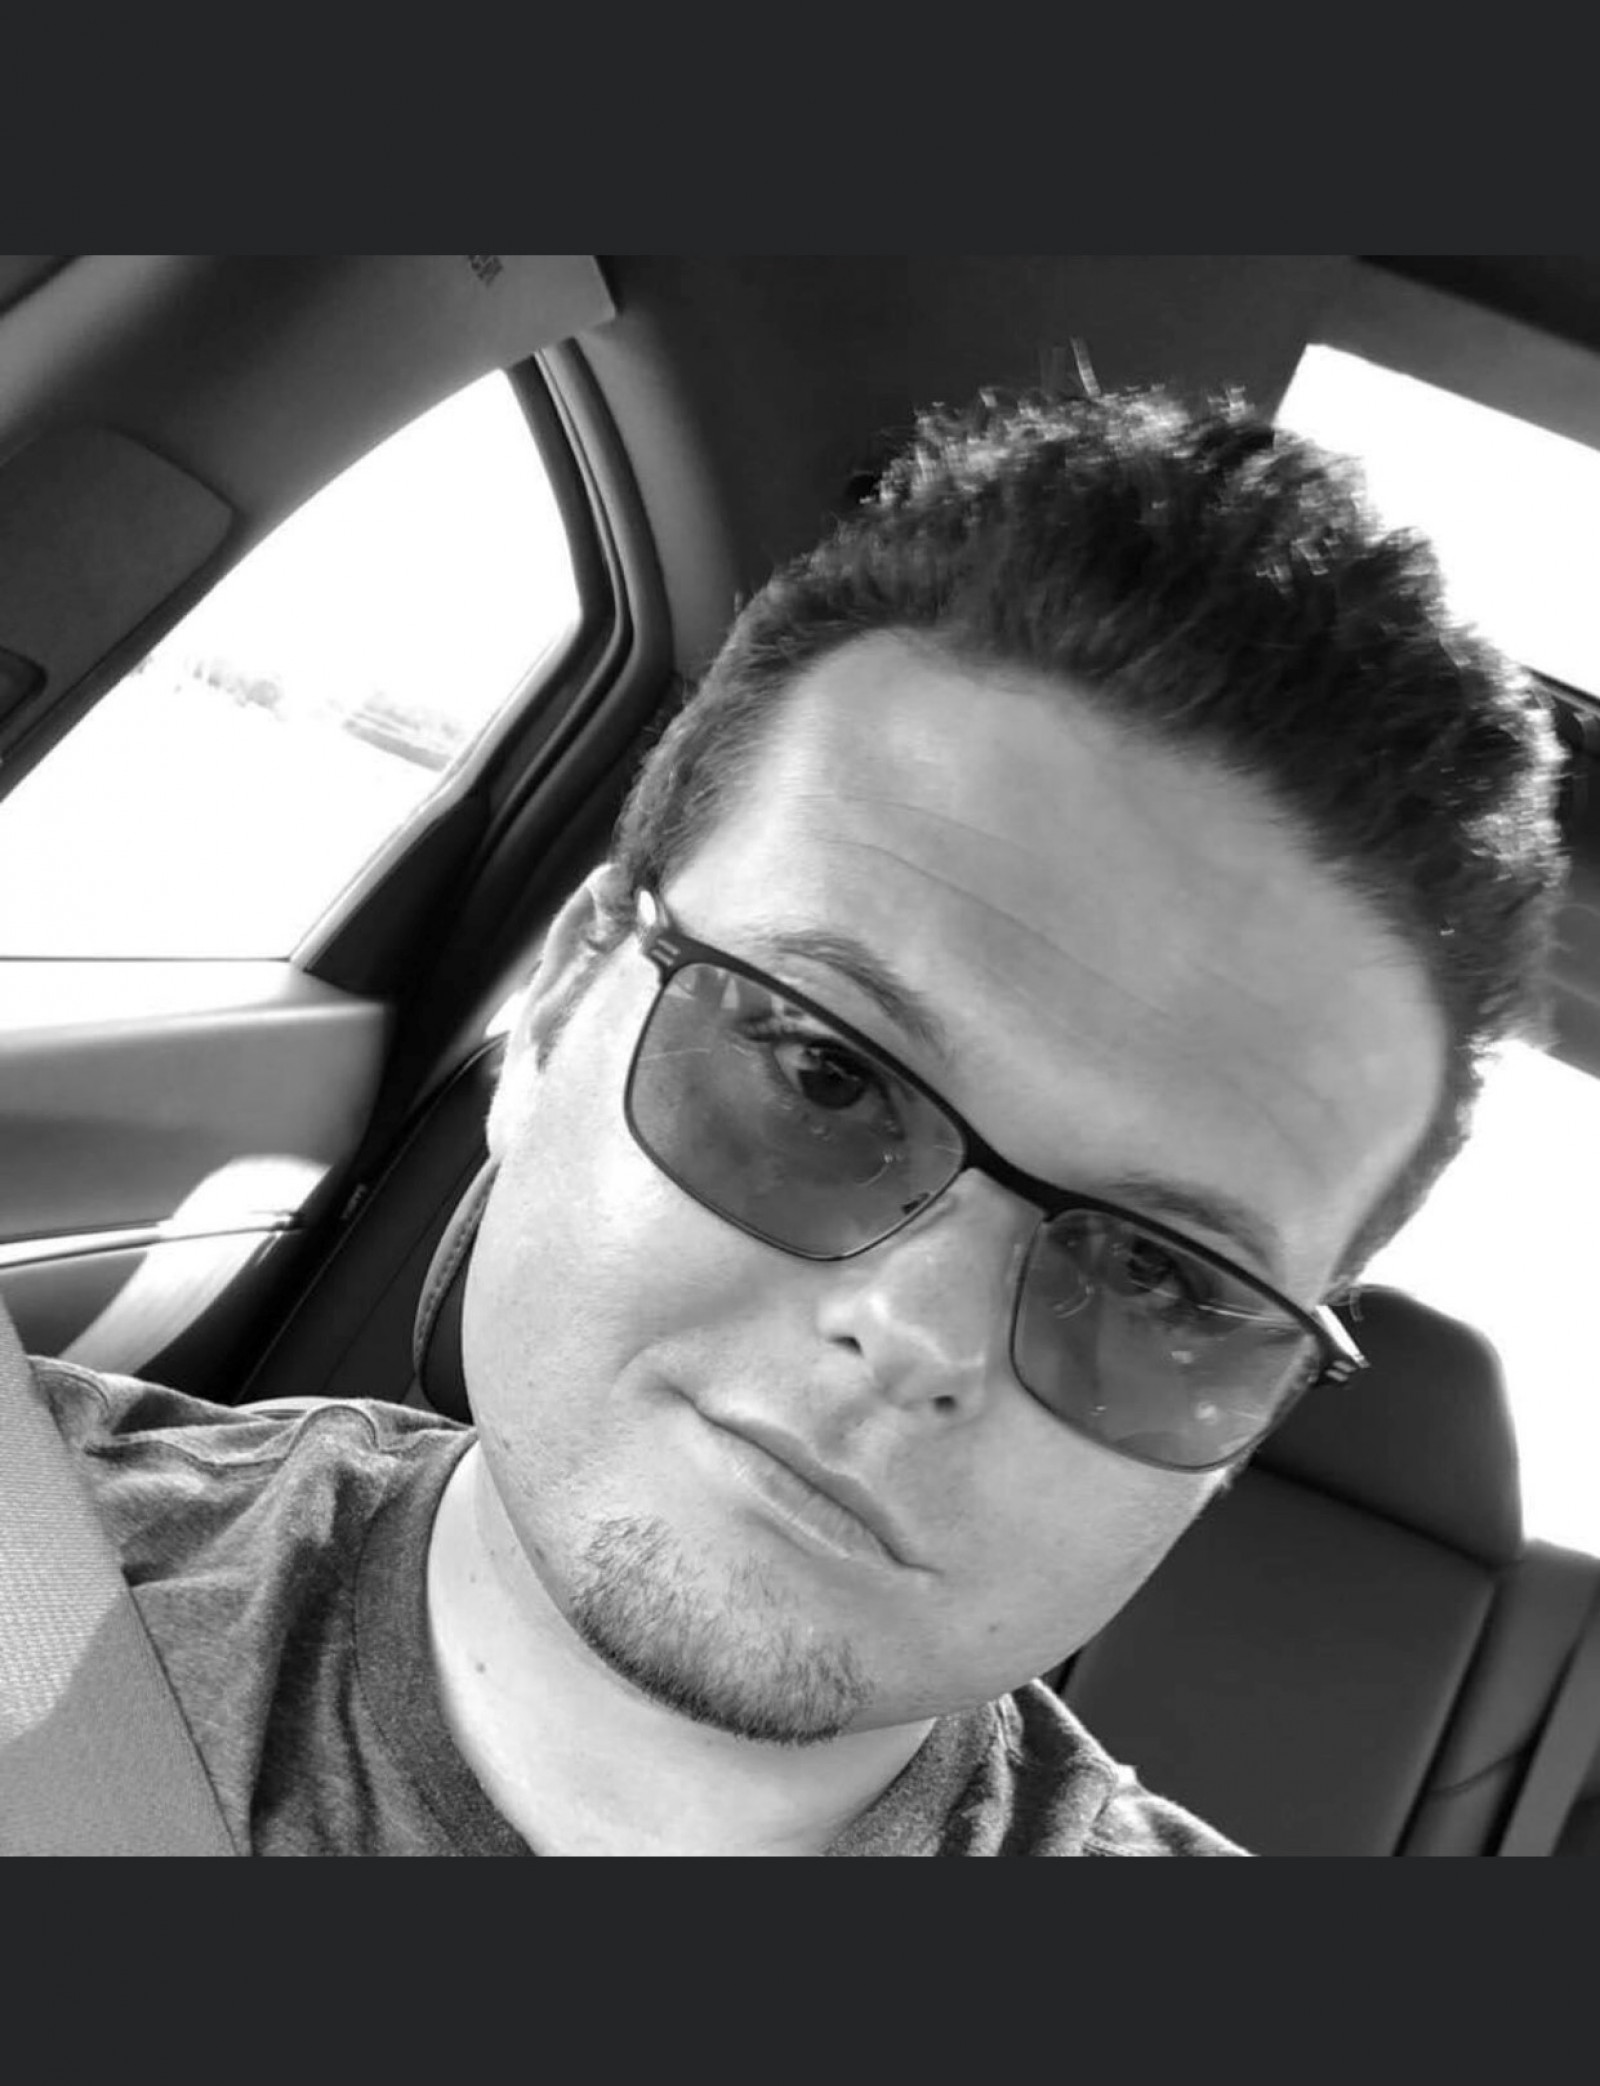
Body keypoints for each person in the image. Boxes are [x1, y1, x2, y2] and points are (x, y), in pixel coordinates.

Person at [30, 386, 1565, 1855]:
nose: (917, 1332)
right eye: (826, 1073)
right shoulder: (37, 1549)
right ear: (558, 1010)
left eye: (1161, 1278)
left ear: (1260, 1416)